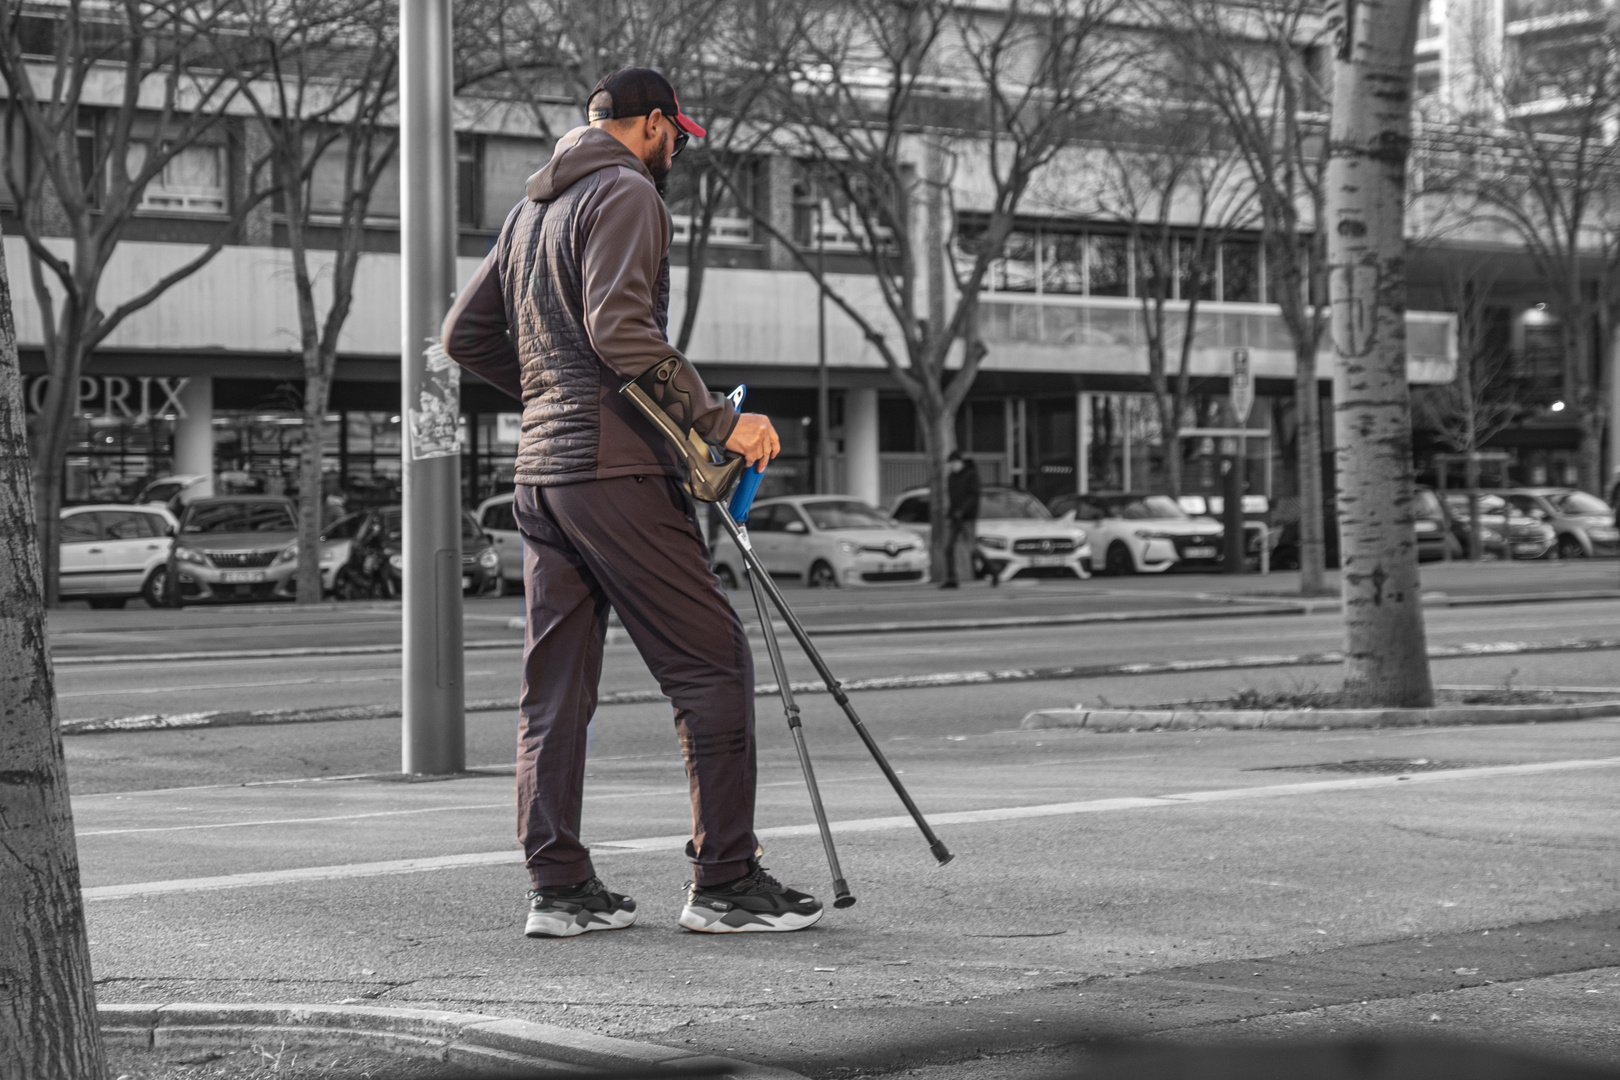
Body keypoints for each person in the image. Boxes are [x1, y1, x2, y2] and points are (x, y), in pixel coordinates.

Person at [439, 68, 822, 937]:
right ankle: (725, 883)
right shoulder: (628, 191)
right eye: (677, 134)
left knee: (554, 689)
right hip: (615, 476)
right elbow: (620, 331)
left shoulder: (528, 211)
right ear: (651, 125)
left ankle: (560, 891)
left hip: (540, 478)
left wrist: (549, 397)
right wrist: (720, 419)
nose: (678, 148)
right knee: (712, 664)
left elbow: (464, 336)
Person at [941, 450, 981, 588]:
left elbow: (973, 497)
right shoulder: (951, 477)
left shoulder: (971, 475)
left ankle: (992, 571)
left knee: (971, 548)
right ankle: (952, 579)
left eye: (953, 463)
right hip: (956, 518)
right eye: (950, 464)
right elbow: (953, 498)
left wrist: (962, 510)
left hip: (968, 517)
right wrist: (951, 513)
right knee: (948, 548)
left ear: (960, 462)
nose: (952, 466)